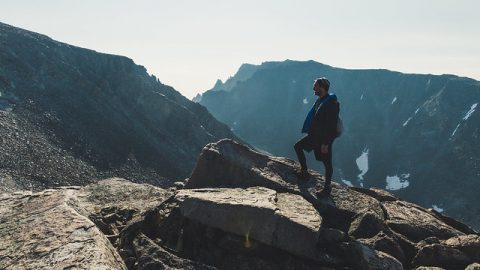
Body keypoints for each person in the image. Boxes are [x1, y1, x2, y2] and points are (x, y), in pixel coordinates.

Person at [294, 77, 339, 195]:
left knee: (327, 162)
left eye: (315, 86)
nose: (313, 88)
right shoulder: (320, 100)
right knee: (298, 146)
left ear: (322, 87)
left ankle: (327, 188)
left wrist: (326, 143)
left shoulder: (331, 103)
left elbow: (332, 126)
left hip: (323, 138)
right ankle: (304, 172)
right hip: (314, 136)